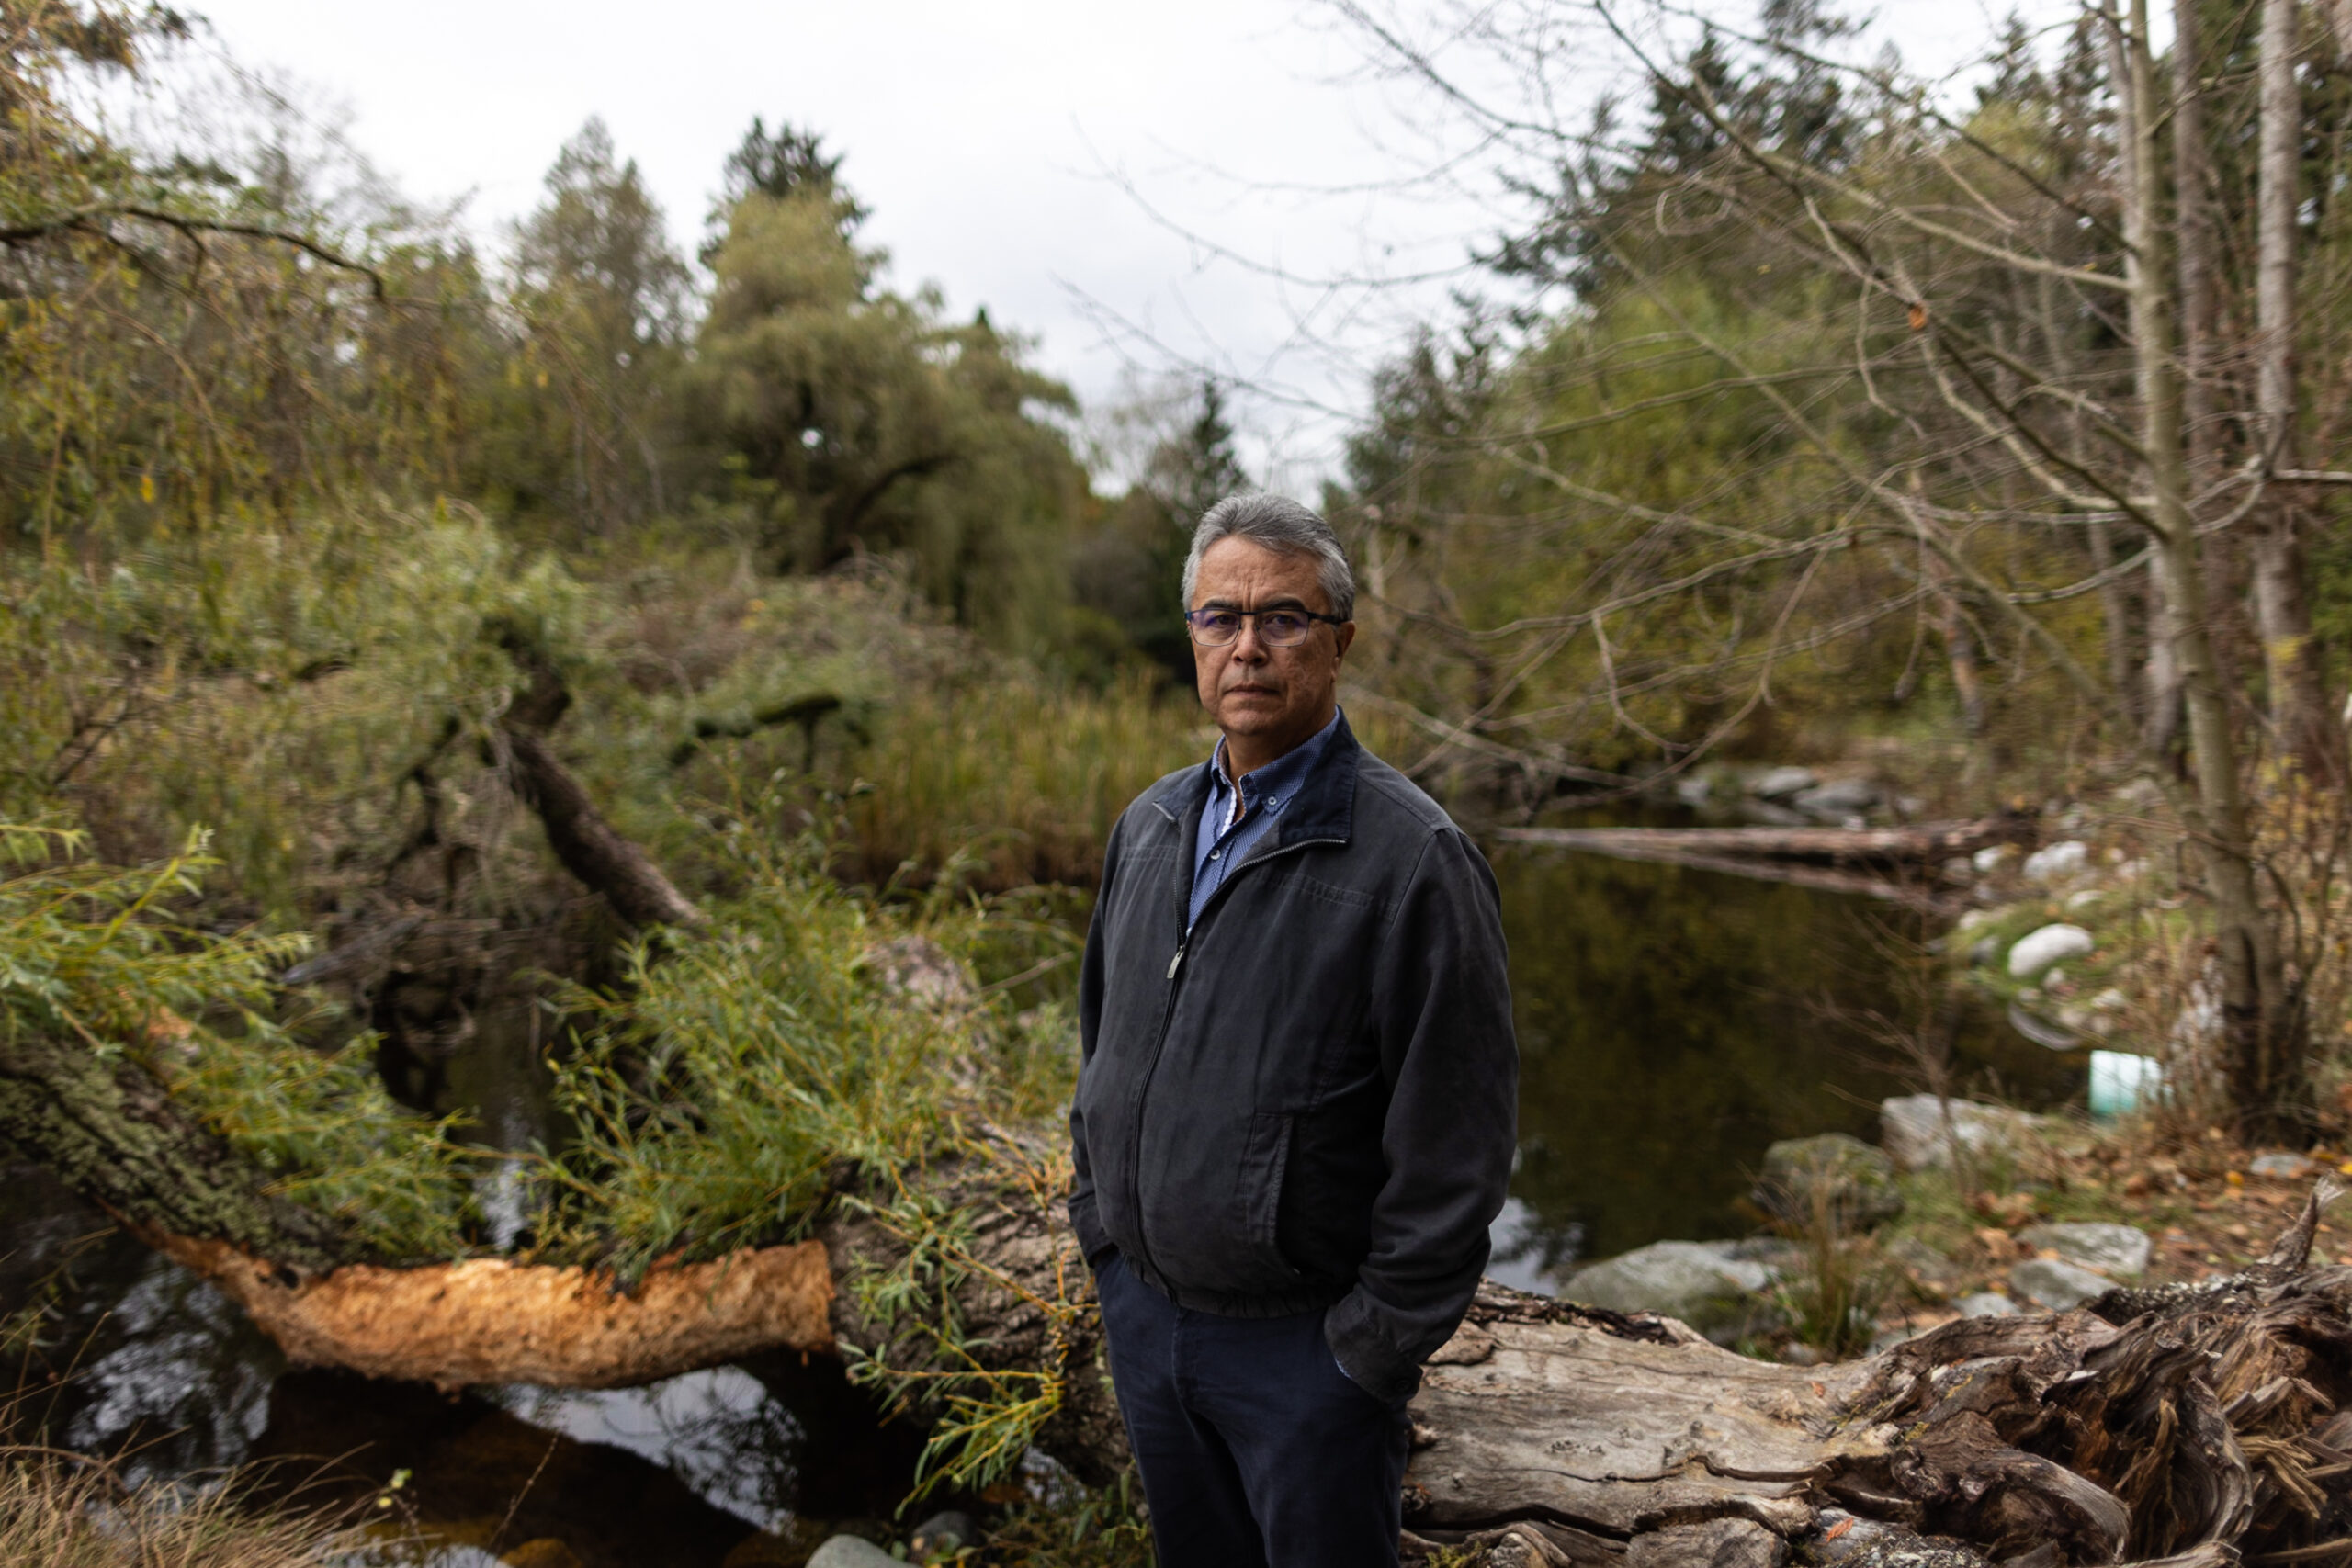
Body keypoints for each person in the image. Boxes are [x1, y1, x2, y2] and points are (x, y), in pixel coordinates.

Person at [1068, 492, 1519, 1568]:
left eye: (1284, 618)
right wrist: (1105, 1246)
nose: (1248, 647)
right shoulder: (1150, 826)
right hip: (1149, 1328)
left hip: (1301, 1360)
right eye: (1219, 618)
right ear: (1191, 637)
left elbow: (1458, 1150)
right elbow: (1101, 1048)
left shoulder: (1413, 860)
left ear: (1339, 643)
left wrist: (1364, 1355)